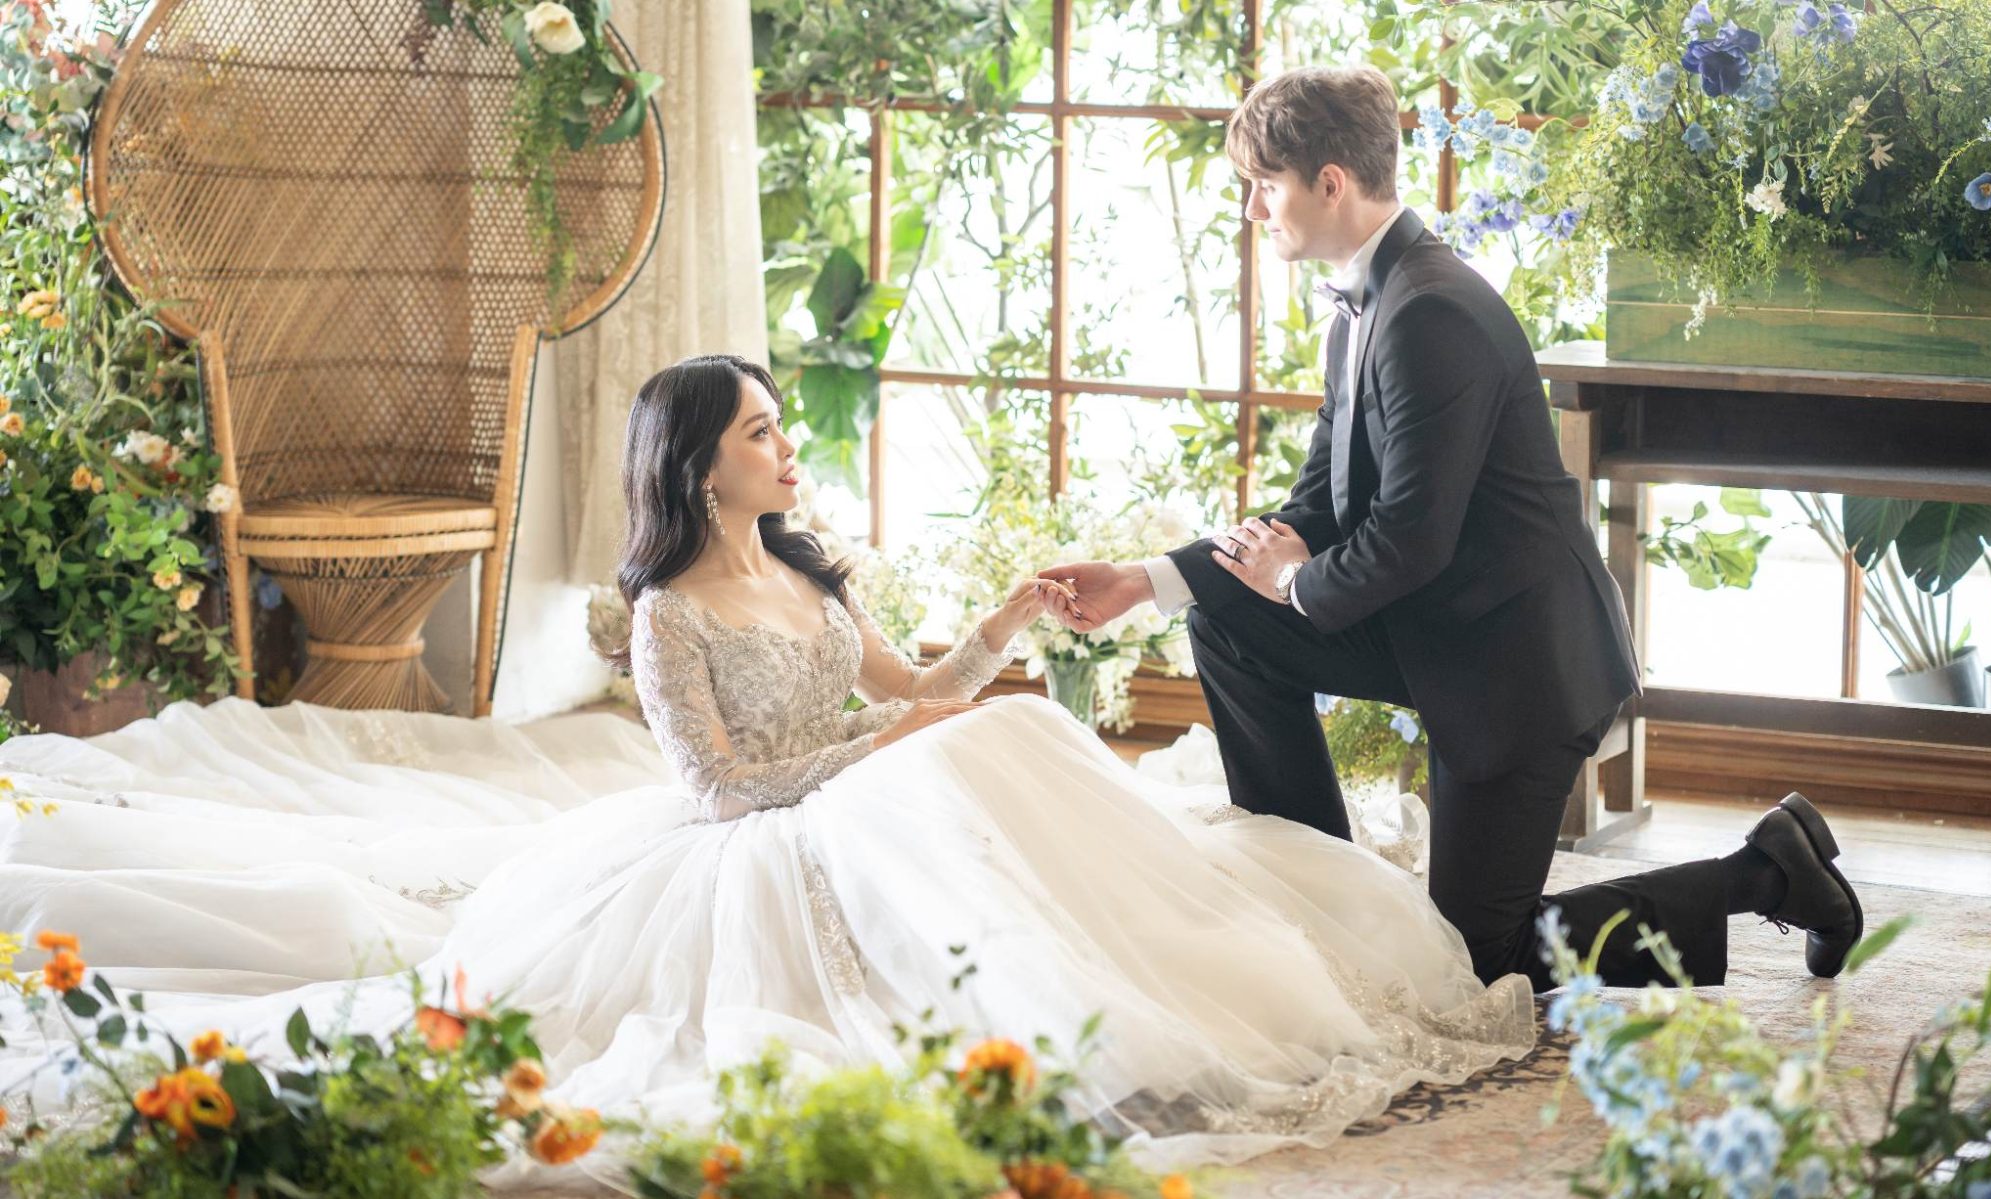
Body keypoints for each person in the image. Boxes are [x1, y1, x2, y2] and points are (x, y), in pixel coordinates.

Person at [0, 353, 1540, 1180]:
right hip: (761, 839)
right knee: (942, 769)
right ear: (697, 463)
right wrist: (893, 740)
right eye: (759, 431)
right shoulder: (665, 611)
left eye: (782, 426)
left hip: (867, 776)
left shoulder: (809, 571)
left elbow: (921, 691)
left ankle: (1144, 972)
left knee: (1004, 727)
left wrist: (1008, 621)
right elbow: (720, 785)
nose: (786, 446)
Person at [1038, 65, 1863, 993]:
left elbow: (1408, 539)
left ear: (1330, 184)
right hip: (1444, 630)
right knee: (1228, 620)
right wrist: (1144, 579)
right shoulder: (1366, 305)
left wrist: (1294, 582)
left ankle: (1768, 873)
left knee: (1476, 964)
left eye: (1264, 184)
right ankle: (1322, 895)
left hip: (1519, 667)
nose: (1251, 208)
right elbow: (1317, 507)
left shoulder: (1428, 312)